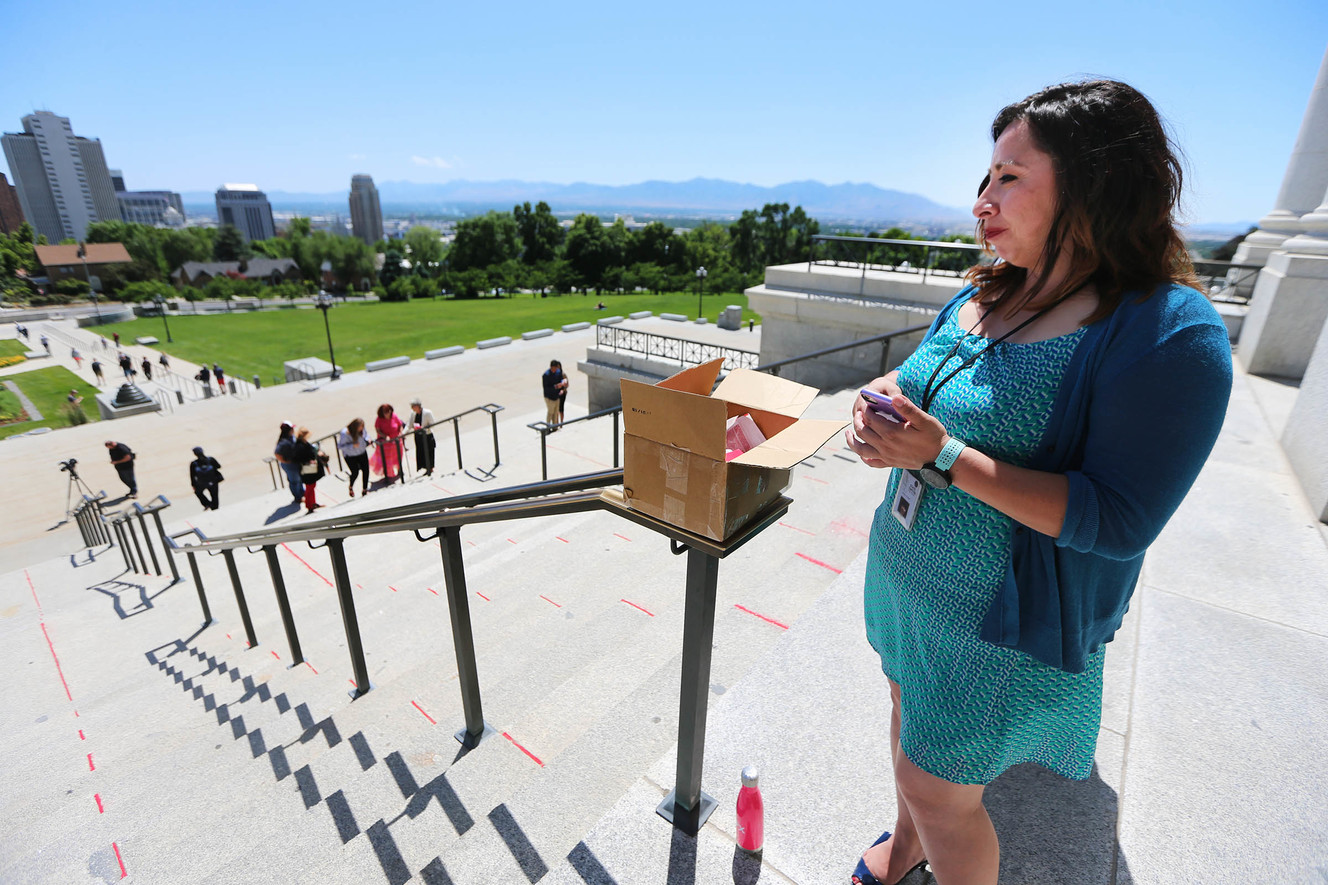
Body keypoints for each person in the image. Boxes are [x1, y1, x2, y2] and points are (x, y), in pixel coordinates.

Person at [843, 80, 1233, 885]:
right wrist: (880, 417)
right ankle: (903, 849)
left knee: (940, 787)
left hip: (995, 622)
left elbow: (1118, 516)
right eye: (984, 178)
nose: (983, 200)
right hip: (908, 578)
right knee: (905, 719)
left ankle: (925, 840)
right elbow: (920, 385)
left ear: (1095, 183)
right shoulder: (992, 286)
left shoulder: (1170, 331)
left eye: (1009, 177)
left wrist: (942, 455)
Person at [292, 427, 327, 513]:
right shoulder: (299, 446)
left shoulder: (302, 443)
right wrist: (308, 460)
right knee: (309, 487)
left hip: (310, 469)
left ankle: (312, 503)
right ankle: (309, 505)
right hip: (307, 470)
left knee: (311, 486)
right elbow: (298, 457)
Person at [337, 418, 371, 497]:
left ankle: (365, 489)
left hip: (362, 452)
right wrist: (352, 445)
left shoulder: (362, 430)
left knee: (366, 470)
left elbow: (366, 435)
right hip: (350, 456)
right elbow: (340, 446)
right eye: (360, 427)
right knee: (355, 472)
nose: (361, 429)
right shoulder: (345, 433)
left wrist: (368, 440)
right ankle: (351, 486)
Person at [273, 421, 303, 504]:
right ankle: (298, 497)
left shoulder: (291, 437)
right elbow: (276, 453)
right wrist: (286, 461)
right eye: (292, 428)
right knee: (294, 481)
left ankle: (302, 492)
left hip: (296, 463)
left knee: (299, 479)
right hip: (290, 465)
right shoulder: (283, 442)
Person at [373, 404, 405, 482]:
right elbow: (378, 430)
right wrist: (385, 436)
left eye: (388, 412)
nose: (387, 414)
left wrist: (401, 433)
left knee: (399, 455)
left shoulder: (394, 416)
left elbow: (400, 425)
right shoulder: (379, 419)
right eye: (385, 412)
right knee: (387, 459)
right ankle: (388, 474)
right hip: (386, 443)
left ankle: (399, 470)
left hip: (396, 440)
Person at [188, 446, 223, 511]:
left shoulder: (193, 464)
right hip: (213, 481)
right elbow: (219, 466)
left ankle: (207, 504)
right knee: (214, 496)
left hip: (202, 483)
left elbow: (192, 476)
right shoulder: (211, 459)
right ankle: (215, 509)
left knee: (198, 493)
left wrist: (193, 485)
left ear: (195, 454)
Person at [409, 397, 437, 477]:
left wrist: (424, 428)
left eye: (413, 406)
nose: (412, 408)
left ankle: (430, 468)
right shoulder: (413, 414)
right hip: (418, 437)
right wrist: (403, 433)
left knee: (429, 452)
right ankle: (425, 467)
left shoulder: (427, 413)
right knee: (421, 453)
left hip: (427, 436)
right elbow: (409, 424)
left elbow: (432, 423)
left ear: (418, 406)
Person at [541, 360, 567, 431]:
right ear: (551, 367)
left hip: (556, 396)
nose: (555, 369)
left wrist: (562, 383)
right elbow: (546, 388)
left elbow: (561, 380)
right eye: (554, 368)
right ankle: (548, 427)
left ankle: (555, 427)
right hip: (549, 397)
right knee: (551, 412)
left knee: (556, 412)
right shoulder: (546, 375)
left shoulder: (558, 372)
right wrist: (556, 387)